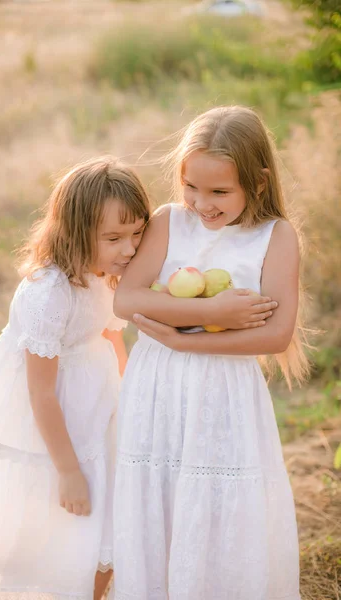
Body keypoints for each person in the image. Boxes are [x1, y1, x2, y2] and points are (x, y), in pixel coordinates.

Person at [113, 106, 308, 599]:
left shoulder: (275, 236)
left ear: (258, 182)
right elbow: (127, 300)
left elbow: (276, 335)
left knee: (218, 499)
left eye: (220, 192)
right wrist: (215, 312)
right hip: (158, 384)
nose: (203, 203)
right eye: (191, 187)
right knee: (159, 493)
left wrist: (188, 338)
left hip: (224, 391)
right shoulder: (169, 221)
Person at [0, 156, 150, 600]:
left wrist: (131, 399)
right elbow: (40, 393)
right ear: (74, 232)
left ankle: (89, 587)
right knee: (51, 505)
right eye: (114, 238)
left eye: (136, 234)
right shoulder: (48, 293)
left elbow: (113, 338)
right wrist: (68, 468)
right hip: (47, 414)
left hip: (96, 399)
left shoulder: (109, 276)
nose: (129, 249)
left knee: (103, 511)